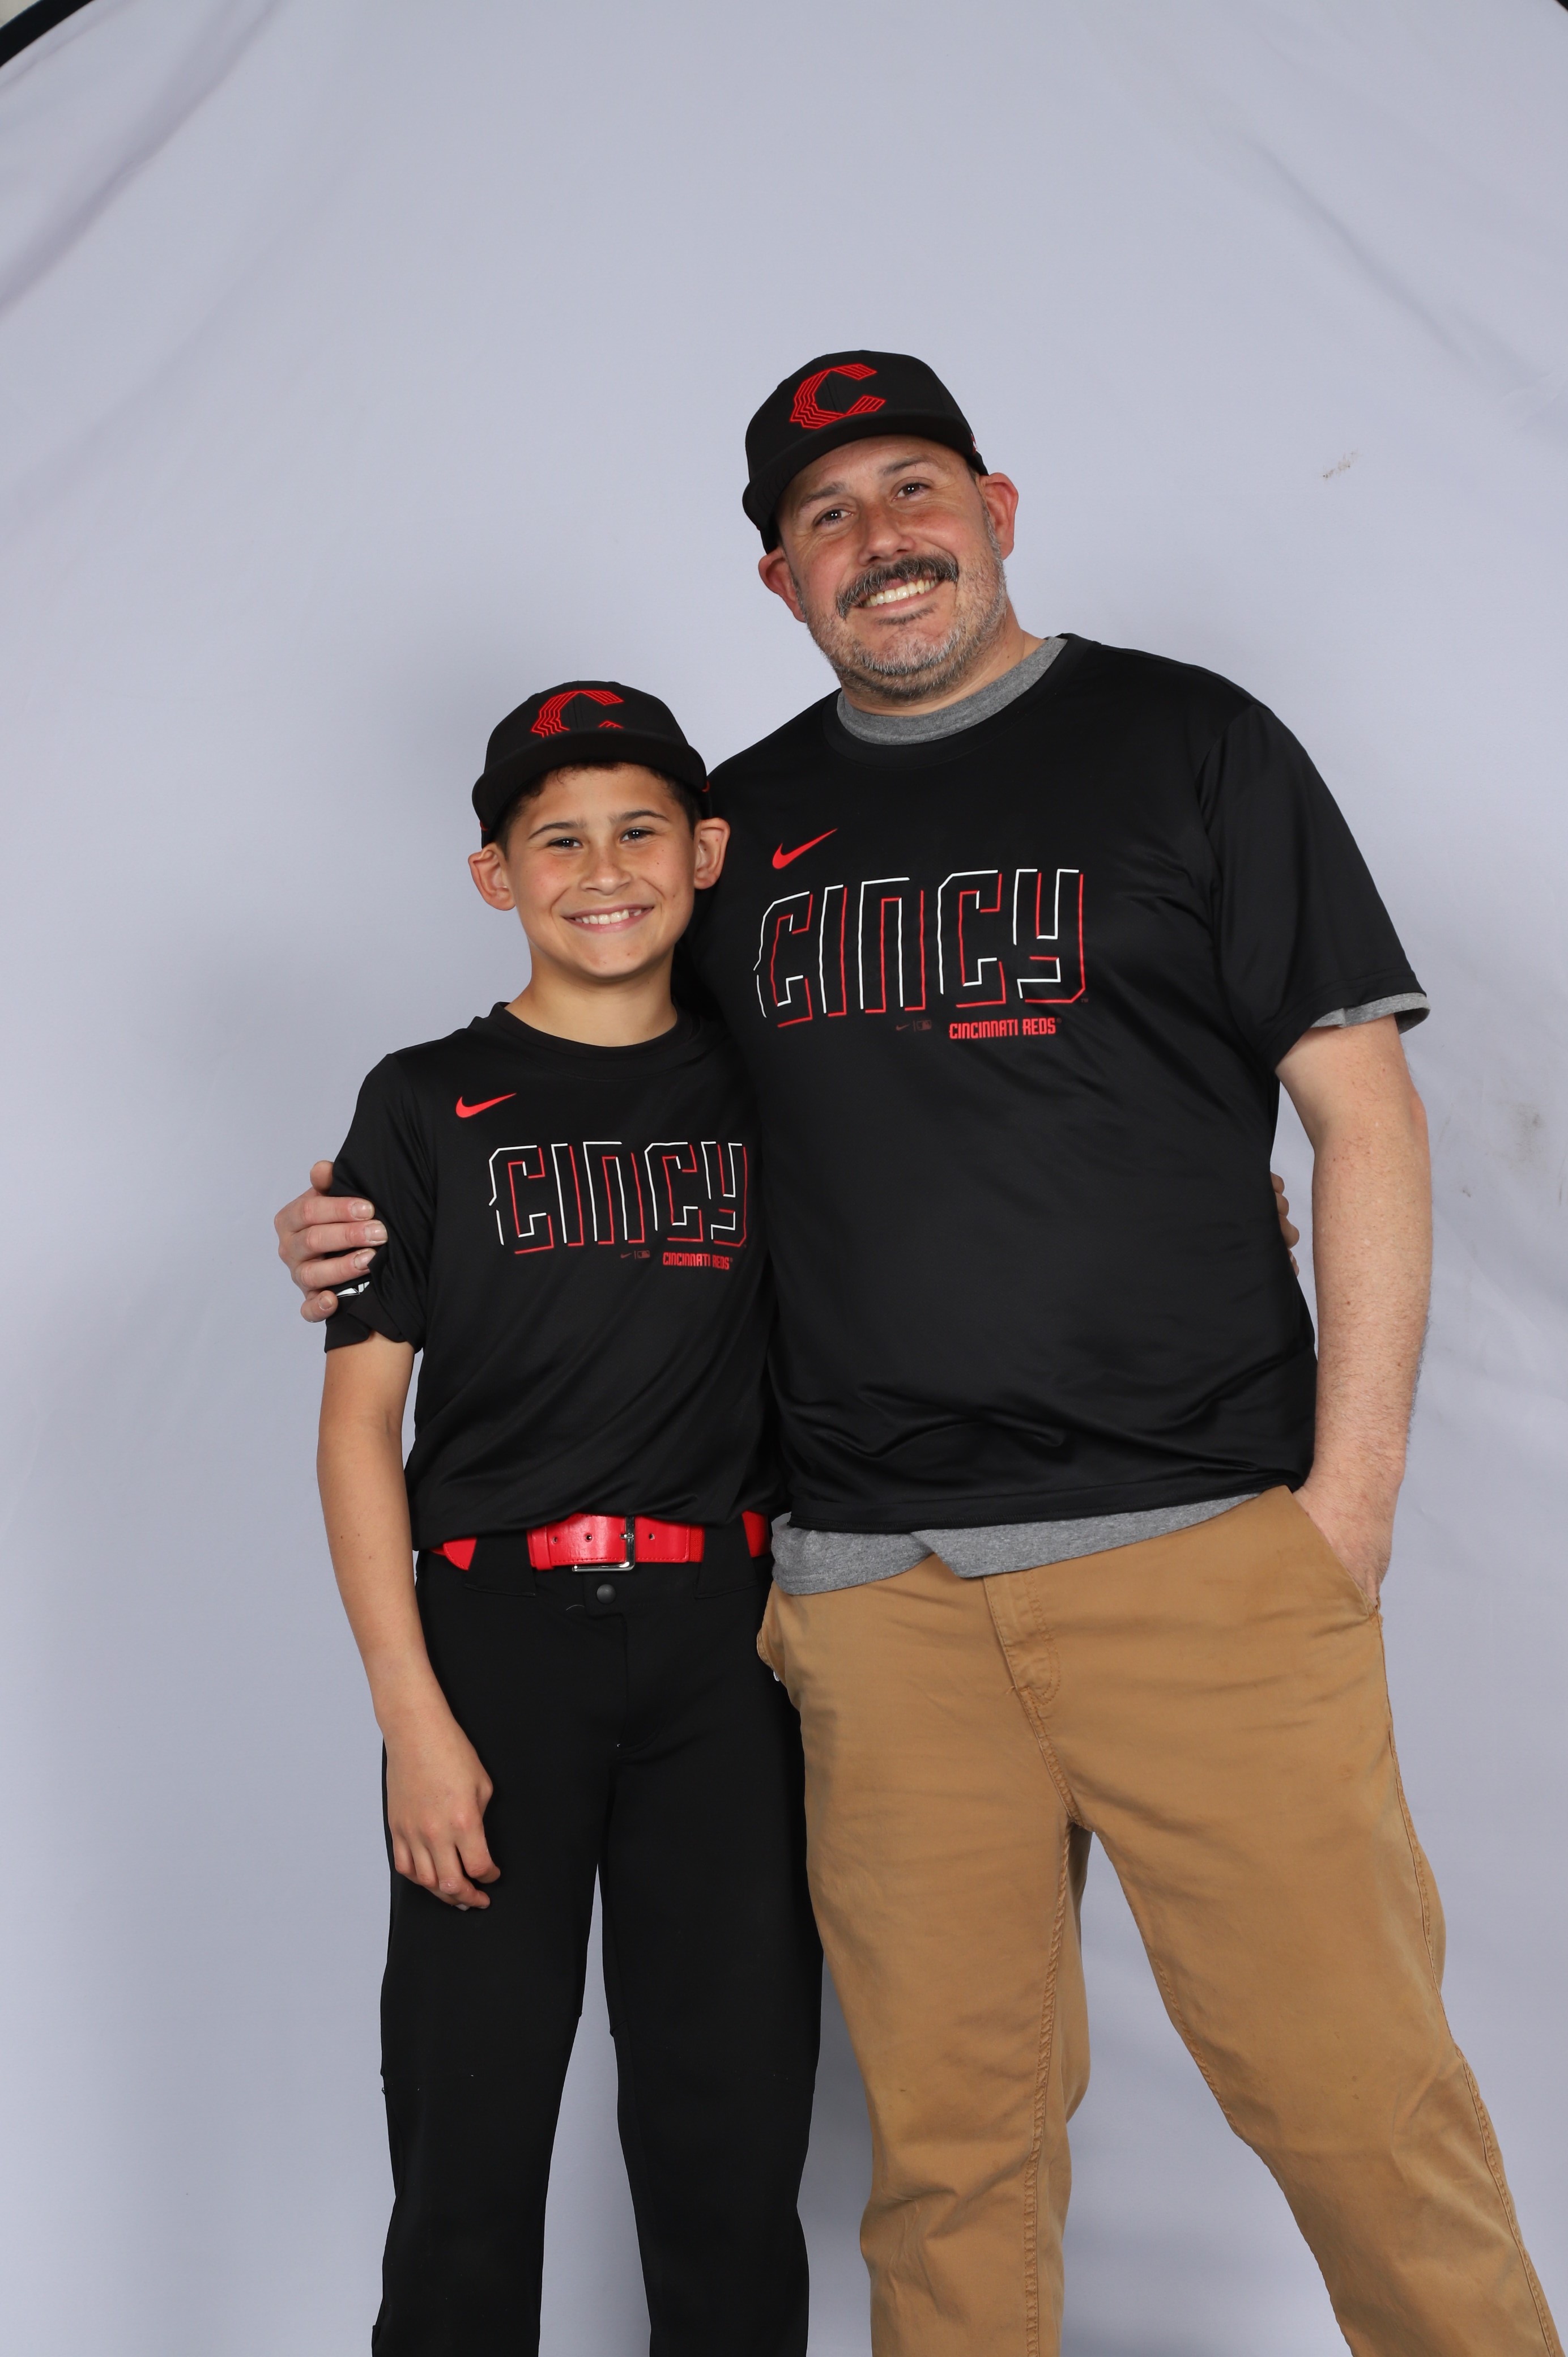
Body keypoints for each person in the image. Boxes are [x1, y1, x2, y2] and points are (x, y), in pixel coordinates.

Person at [278, 354, 1560, 2357]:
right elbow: (603, 1070)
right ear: (779, 578)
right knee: (951, 2171)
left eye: (911, 488)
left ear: (997, 507)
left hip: (1198, 1552)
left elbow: (1362, 1115)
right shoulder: (741, 832)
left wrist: (1352, 1505)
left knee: (1360, 2115)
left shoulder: (1191, 743)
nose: (880, 539)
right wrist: (366, 1222)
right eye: (826, 516)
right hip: (876, 1601)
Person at [312, 679, 820, 2356]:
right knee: (466, 2151)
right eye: (559, 841)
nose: (604, 872)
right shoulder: (423, 1099)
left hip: (727, 1652)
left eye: (640, 831)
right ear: (496, 876)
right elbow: (360, 1424)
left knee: (729, 2147)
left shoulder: (776, 1085)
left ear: (707, 852)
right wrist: (413, 1721)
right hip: (492, 1652)